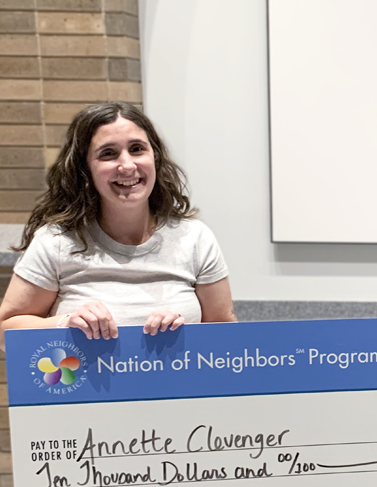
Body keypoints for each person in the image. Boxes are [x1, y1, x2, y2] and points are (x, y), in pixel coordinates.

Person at [0, 102, 235, 350]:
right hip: (82, 387)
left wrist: (185, 335)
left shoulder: (195, 237)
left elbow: (226, 336)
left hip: (178, 386)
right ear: (85, 169)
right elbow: (5, 330)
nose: (127, 165)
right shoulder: (56, 241)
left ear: (154, 156)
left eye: (137, 149)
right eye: (108, 154)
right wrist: (66, 324)